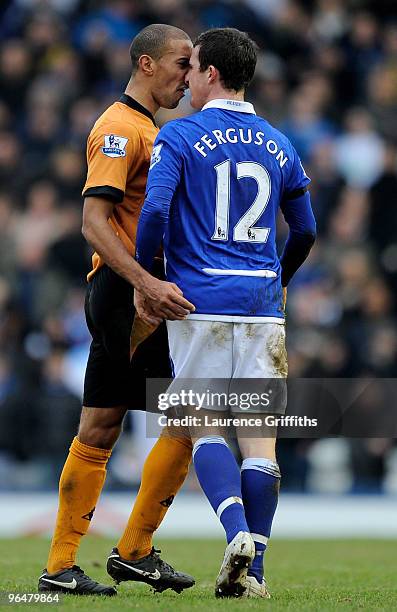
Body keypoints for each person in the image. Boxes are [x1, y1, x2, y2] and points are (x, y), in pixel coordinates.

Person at [135, 28, 316, 599]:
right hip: (263, 306)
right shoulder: (280, 143)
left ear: (210, 74)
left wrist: (150, 276)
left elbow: (156, 209)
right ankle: (255, 570)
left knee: (204, 421)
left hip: (199, 303)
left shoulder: (181, 135)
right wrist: (279, 280)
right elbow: (306, 229)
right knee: (260, 438)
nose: (185, 78)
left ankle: (236, 533)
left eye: (191, 69)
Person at [38, 24, 196, 597]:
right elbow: (94, 222)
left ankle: (62, 565)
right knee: (190, 416)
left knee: (102, 424)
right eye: (182, 63)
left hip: (128, 293)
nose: (188, 75)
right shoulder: (117, 128)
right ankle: (133, 551)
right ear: (147, 64)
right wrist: (147, 283)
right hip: (127, 295)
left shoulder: (149, 129)